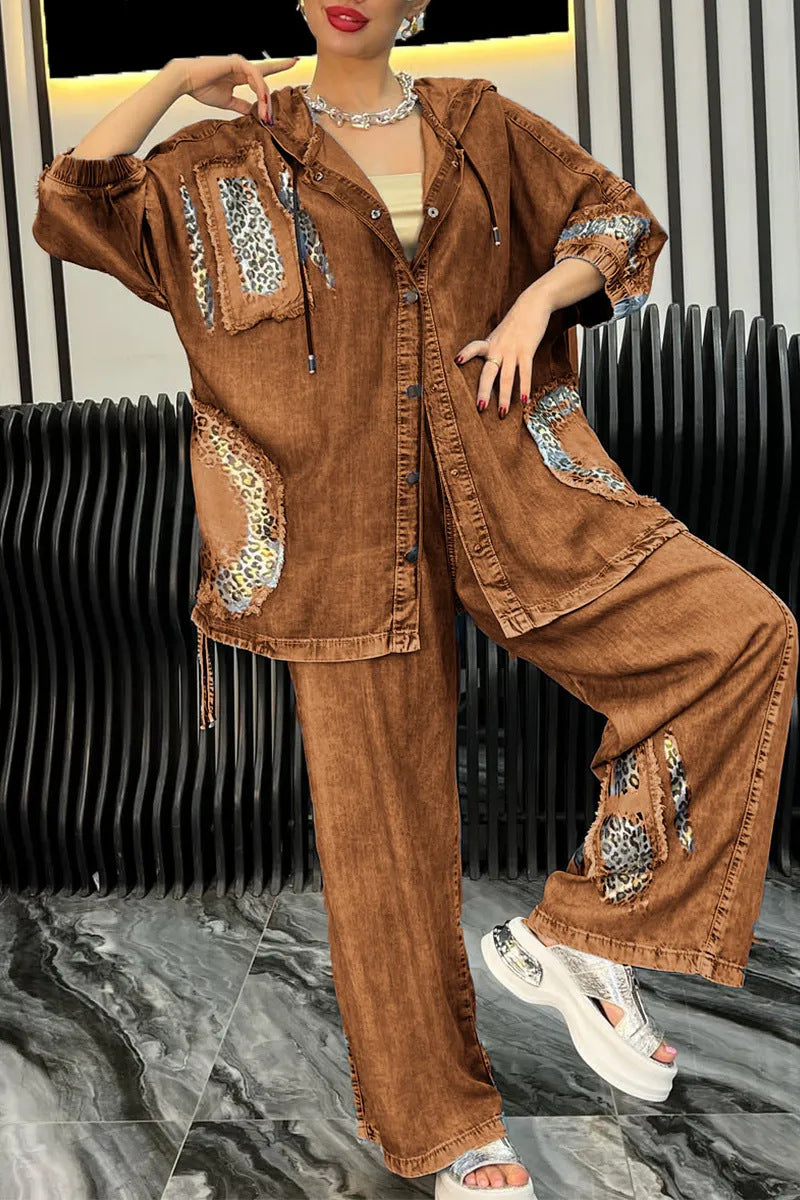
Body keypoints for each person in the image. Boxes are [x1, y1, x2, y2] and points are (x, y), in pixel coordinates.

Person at [32, 2, 798, 1195]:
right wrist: (174, 77)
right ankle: (445, 1129)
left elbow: (614, 222)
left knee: (737, 635)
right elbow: (73, 205)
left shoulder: (480, 125)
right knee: (383, 847)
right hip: (334, 539)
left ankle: (583, 933)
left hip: (517, 493)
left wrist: (537, 301)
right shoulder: (224, 157)